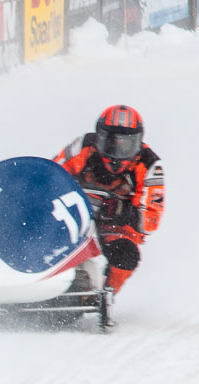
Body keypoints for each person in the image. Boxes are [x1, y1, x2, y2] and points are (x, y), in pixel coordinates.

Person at [54, 105, 165, 294]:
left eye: (126, 144)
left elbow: (151, 218)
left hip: (115, 227)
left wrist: (123, 211)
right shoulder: (83, 147)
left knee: (127, 254)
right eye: (111, 142)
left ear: (138, 142)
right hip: (75, 214)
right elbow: (55, 171)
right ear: (99, 137)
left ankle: (105, 294)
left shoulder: (149, 165)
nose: (117, 152)